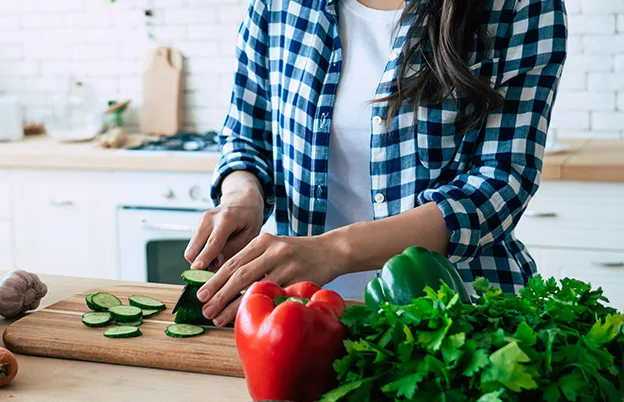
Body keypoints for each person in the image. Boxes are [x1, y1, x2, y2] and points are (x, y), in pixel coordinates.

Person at [184, 0, 568, 327]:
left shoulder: (518, 6)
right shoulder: (278, 5)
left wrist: (333, 250)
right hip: (304, 318)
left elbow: (501, 181)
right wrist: (241, 196)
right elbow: (246, 136)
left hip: (460, 314)